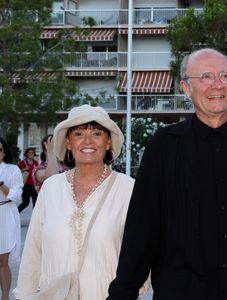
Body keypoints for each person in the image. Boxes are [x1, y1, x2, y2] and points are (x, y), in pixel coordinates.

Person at [107, 48, 227, 300]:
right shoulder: (163, 146)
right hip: (182, 291)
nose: (217, 85)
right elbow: (143, 227)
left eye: (225, 76)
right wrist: (124, 291)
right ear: (187, 88)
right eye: (206, 76)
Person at [13, 104, 138, 300]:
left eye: (97, 133)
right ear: (69, 143)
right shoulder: (51, 188)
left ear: (108, 143)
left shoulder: (128, 189)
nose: (88, 140)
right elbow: (33, 251)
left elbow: (142, 252)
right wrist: (24, 295)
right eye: (79, 134)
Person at [0, 137, 23, 300]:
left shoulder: (13, 170)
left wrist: (1, 184)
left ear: (3, 152)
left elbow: (17, 196)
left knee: (2, 260)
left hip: (4, 213)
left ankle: (5, 296)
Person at [17, 147, 38, 212]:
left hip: (34, 185)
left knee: (36, 202)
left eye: (32, 153)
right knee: (25, 203)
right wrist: (24, 169)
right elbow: (15, 171)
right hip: (26, 185)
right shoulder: (23, 162)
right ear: (26, 154)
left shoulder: (36, 163)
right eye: (30, 153)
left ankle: (35, 218)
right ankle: (15, 213)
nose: (32, 154)